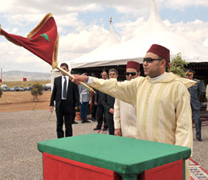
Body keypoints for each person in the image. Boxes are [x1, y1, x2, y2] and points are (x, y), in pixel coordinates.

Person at [72, 44, 195, 180]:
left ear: (162, 63)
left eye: (149, 60)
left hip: (166, 153)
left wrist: (180, 154)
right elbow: (115, 86)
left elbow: (184, 126)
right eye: (144, 59)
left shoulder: (177, 87)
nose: (145, 63)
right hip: (142, 151)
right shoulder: (139, 84)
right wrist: (89, 80)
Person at [50, 63, 80, 138]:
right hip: (59, 104)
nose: (63, 71)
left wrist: (76, 105)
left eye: (64, 69)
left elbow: (76, 93)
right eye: (61, 69)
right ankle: (60, 139)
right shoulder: (57, 80)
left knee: (68, 124)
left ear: (68, 70)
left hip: (69, 105)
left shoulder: (72, 79)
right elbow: (54, 92)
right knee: (59, 123)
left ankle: (68, 139)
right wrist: (51, 104)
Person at [114, 61, 140, 138]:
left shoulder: (143, 87)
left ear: (138, 74)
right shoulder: (121, 87)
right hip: (125, 128)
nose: (130, 76)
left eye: (133, 74)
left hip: (139, 129)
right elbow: (117, 108)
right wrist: (117, 127)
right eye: (127, 74)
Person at [185, 69, 206, 142]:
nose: (188, 76)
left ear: (192, 75)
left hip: (195, 103)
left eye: (189, 75)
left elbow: (202, 93)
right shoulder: (182, 82)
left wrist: (200, 103)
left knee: (197, 120)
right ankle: (186, 136)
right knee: (185, 121)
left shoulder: (197, 82)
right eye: (187, 75)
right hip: (185, 104)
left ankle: (198, 136)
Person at [101, 68, 118, 135]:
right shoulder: (106, 87)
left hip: (119, 112)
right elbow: (102, 101)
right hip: (110, 112)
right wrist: (109, 109)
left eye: (113, 74)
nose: (112, 76)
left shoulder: (120, 85)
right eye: (110, 74)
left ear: (117, 76)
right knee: (111, 131)